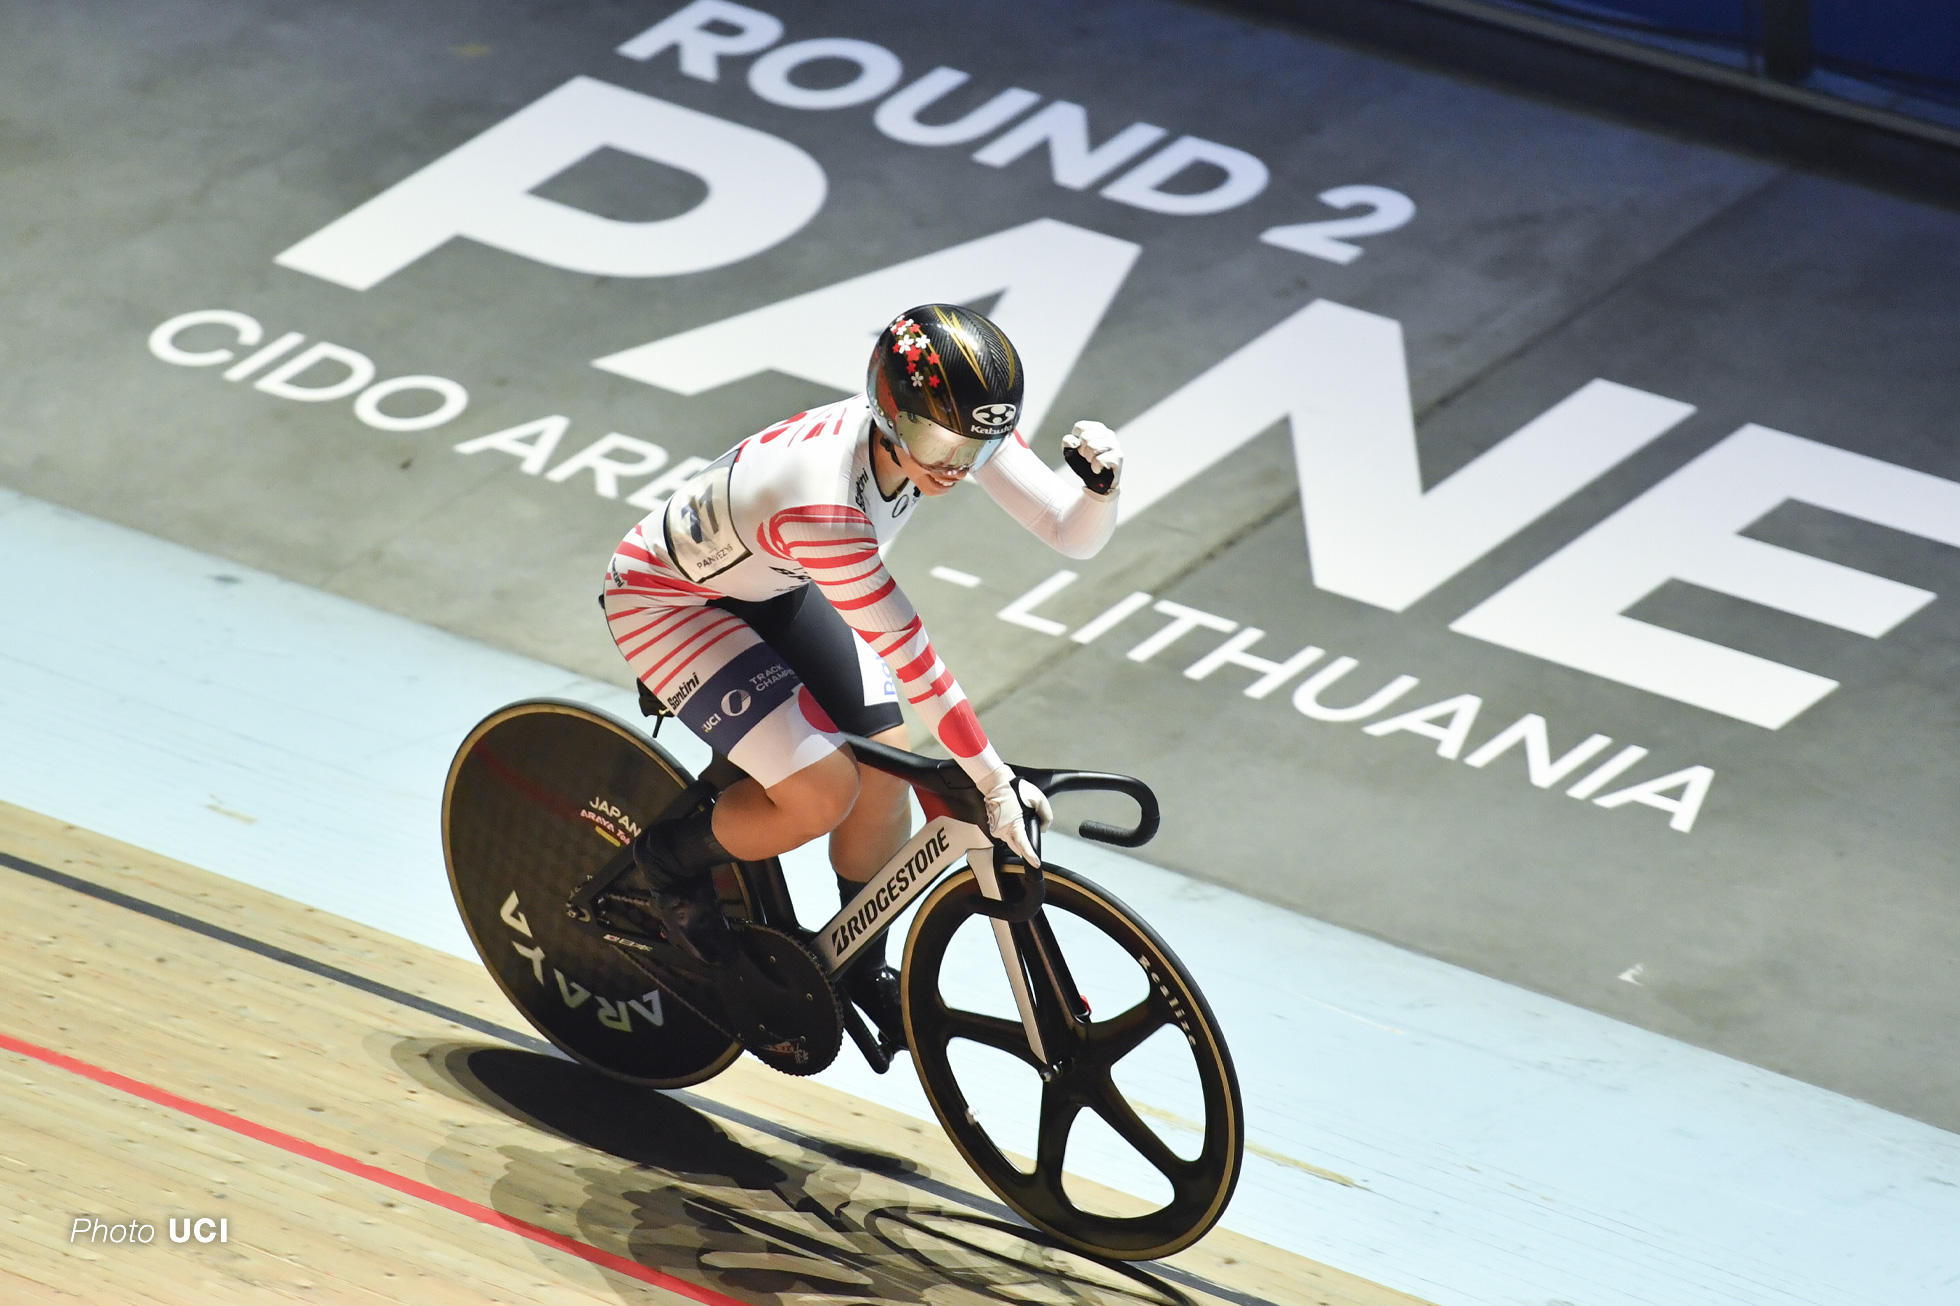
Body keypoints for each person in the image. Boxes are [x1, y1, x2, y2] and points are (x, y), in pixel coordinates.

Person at [600, 303, 1122, 1044]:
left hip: (769, 582)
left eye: (973, 446)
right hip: (668, 603)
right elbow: (915, 657)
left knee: (888, 766)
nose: (952, 464)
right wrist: (993, 779)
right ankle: (670, 864)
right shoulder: (823, 504)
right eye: (933, 440)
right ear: (887, 411)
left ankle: (857, 959)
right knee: (823, 791)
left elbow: (1068, 532)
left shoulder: (957, 423)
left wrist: (1100, 493)